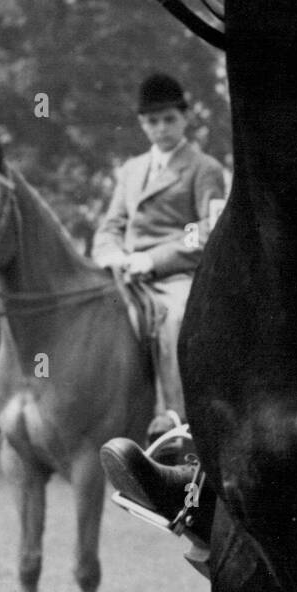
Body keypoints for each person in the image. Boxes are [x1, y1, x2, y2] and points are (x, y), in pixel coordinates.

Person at [93, 73, 226, 442]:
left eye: (169, 119)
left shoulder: (204, 168)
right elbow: (111, 225)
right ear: (142, 124)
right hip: (124, 271)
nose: (161, 128)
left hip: (173, 274)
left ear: (184, 118)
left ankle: (174, 417)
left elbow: (205, 228)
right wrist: (113, 254)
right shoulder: (131, 170)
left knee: (177, 315)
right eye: (153, 121)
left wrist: (152, 259)